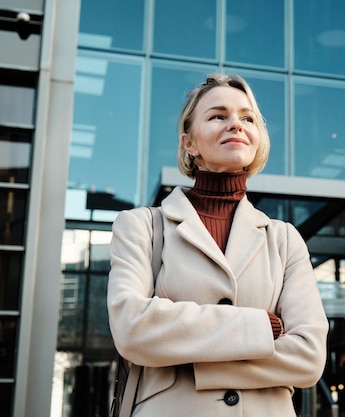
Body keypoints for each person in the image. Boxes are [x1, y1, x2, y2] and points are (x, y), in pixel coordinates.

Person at [107, 73, 329, 416]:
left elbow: (308, 357)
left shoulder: (284, 239)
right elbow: (133, 328)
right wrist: (260, 328)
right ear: (189, 143)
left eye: (247, 118)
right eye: (217, 116)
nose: (235, 125)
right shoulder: (142, 227)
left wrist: (191, 360)